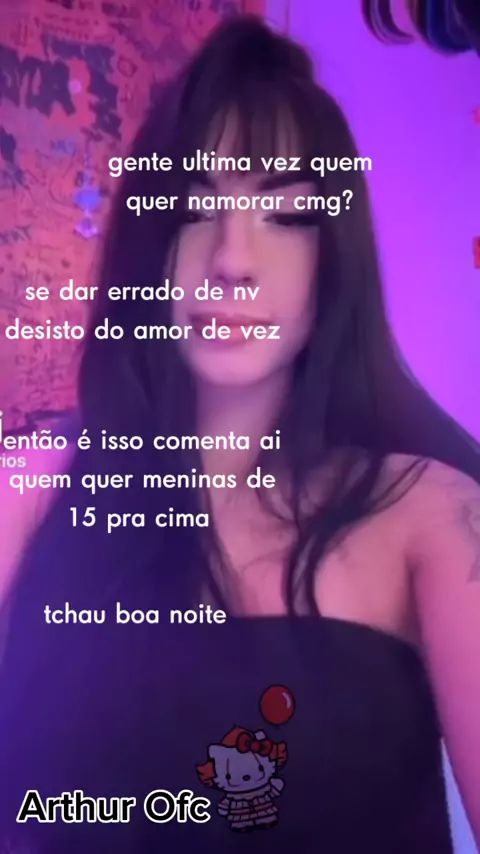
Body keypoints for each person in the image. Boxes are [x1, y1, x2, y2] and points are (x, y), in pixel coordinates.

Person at [0, 14, 479, 854]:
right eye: (193, 209)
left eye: (287, 215)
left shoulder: (430, 517)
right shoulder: (32, 498)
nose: (232, 260)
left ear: (335, 256)